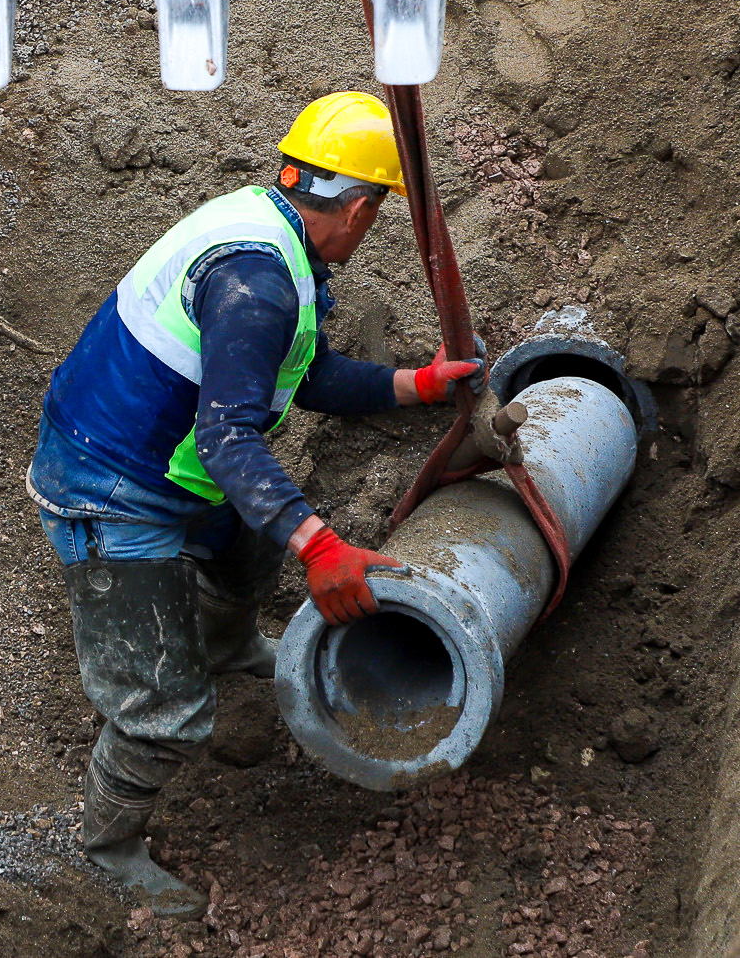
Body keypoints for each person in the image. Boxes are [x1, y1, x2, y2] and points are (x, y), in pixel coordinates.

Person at [26, 91, 481, 916]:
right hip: (111, 485)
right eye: (378, 209)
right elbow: (231, 439)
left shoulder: (273, 232)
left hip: (166, 456)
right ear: (359, 206)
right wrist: (322, 546)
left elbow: (296, 372)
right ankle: (108, 846)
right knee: (164, 709)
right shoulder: (258, 282)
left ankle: (230, 642)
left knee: (249, 545)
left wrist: (414, 385)